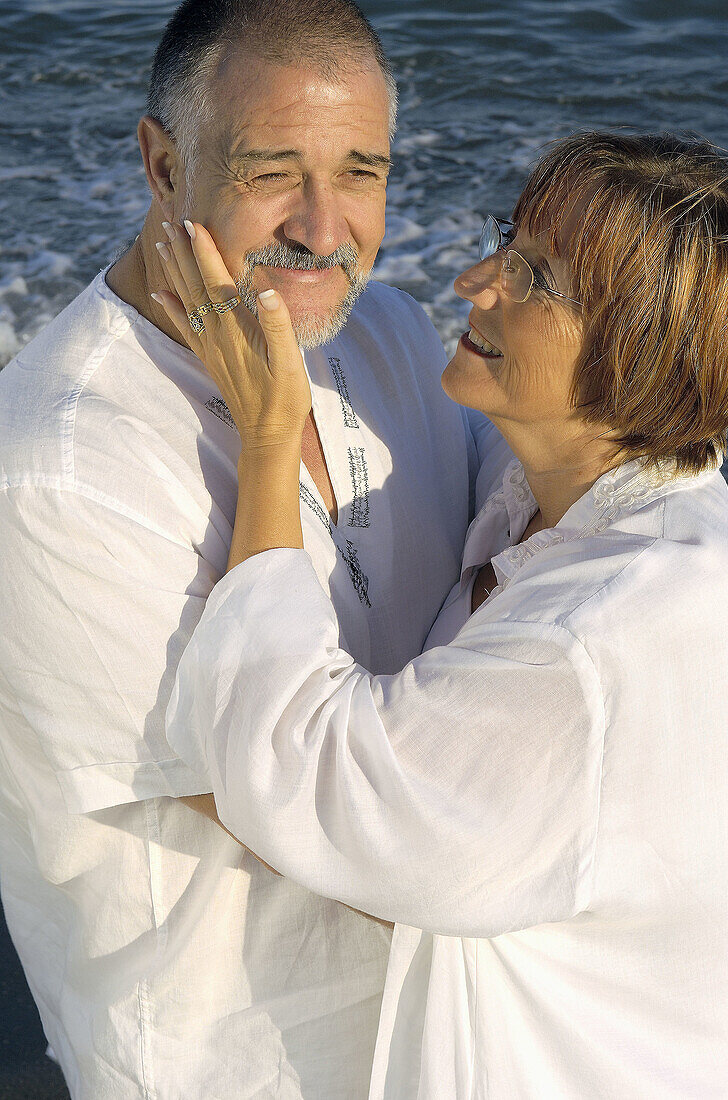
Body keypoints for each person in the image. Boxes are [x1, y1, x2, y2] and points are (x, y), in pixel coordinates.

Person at [0, 1, 510, 1096]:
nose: (324, 230)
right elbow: (336, 827)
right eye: (273, 170)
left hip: (449, 1039)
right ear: (161, 163)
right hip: (239, 1058)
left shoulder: (386, 332)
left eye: (361, 171)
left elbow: (525, 545)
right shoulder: (55, 477)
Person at [164, 130, 728, 1099]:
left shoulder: (596, 646)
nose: (474, 280)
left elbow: (297, 766)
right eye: (503, 240)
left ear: (636, 353)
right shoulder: (559, 492)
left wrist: (267, 431)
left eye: (534, 277)